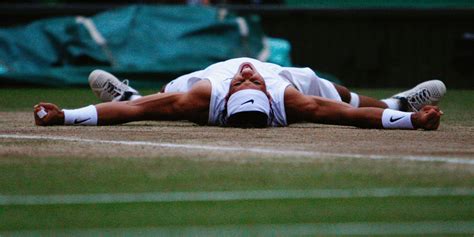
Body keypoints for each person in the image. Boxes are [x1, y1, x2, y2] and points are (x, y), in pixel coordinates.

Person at [34, 57, 445, 130]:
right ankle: (400, 104)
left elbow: (140, 113)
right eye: (249, 83)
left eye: (245, 83)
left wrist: (64, 115)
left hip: (204, 80)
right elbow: (347, 115)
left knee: (156, 98)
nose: (247, 75)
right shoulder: (288, 99)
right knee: (336, 95)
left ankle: (124, 93)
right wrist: (411, 121)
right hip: (284, 77)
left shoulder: (203, 96)